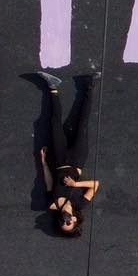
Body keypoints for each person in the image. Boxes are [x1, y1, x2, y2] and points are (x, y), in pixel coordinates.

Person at [36, 71, 102, 237]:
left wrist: (43, 163)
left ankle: (53, 87)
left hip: (59, 160)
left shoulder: (52, 205)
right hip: (77, 159)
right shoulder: (80, 204)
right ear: (75, 220)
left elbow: (49, 183)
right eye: (69, 223)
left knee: (54, 125)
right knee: (82, 123)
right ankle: (90, 85)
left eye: (63, 223)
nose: (66, 221)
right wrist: (75, 185)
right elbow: (95, 185)